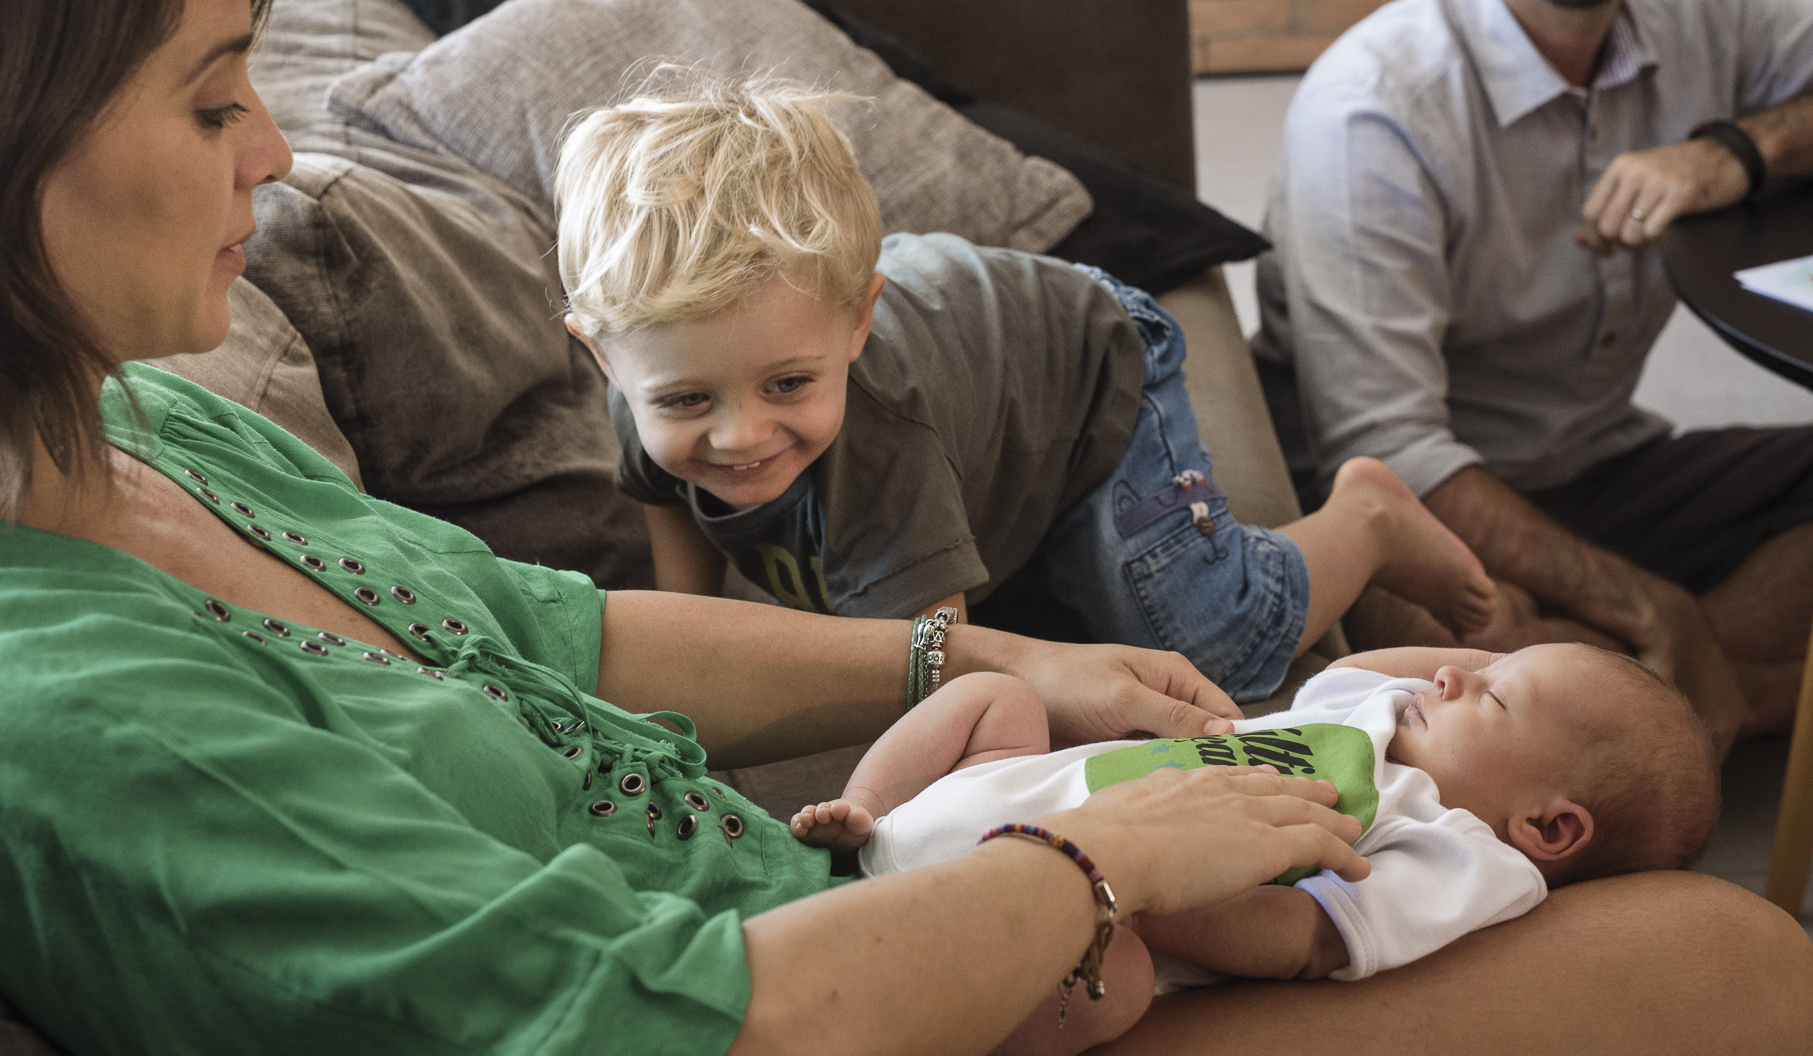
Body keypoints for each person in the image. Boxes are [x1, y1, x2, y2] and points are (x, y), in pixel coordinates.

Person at [0, 0, 1813, 1056]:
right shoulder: (28, 691)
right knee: (1738, 982)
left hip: (823, 903)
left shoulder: (136, 419)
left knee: (1642, 912)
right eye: (215, 101)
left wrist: (973, 655)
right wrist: (1105, 857)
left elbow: (556, 623)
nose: (276, 158)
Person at [1251, 0, 1813, 751]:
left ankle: (1646, 700)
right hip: (1406, 511)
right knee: (1423, 649)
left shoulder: (1701, 1)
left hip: (1599, 463)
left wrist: (1740, 150)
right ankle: (1777, 697)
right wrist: (1652, 606)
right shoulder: (1372, 109)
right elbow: (1392, 451)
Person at [558, 74, 1496, 706]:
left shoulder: (884, 438)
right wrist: (679, 680)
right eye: (686, 403)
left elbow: (944, 676)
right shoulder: (649, 377)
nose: (740, 434)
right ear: (606, 358)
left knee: (1213, 644)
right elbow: (678, 557)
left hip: (1087, 371)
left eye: (789, 383)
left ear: (856, 324)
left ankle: (1368, 514)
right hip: (983, 389)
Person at [792, 644, 1718, 1056]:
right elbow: (1373, 666)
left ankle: (940, 1043)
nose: (1455, 672)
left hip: (1056, 930)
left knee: (1119, 981)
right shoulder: (1387, 715)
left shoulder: (1464, 848)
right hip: (978, 803)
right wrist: (1521, 681)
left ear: (1549, 830)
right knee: (996, 695)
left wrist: (1144, 890)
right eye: (1489, 659)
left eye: (1498, 696)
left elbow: (1312, 938)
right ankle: (865, 815)